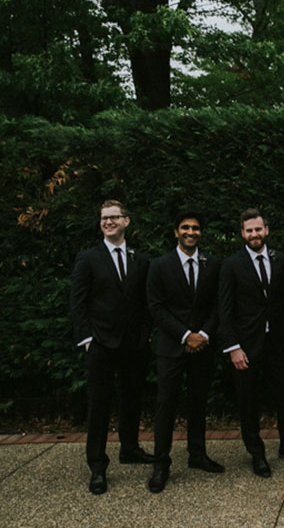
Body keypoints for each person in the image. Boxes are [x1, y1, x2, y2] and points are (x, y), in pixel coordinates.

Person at [218, 208, 284, 479]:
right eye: (249, 230)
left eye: (258, 229)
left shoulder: (281, 260)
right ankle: (257, 454)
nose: (254, 234)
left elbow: (282, 299)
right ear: (242, 233)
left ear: (266, 230)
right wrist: (233, 347)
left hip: (275, 341)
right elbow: (225, 310)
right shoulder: (231, 264)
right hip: (245, 346)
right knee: (248, 400)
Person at [69, 199, 155, 495]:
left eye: (114, 217)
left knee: (132, 398)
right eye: (104, 218)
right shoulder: (88, 258)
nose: (109, 222)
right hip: (101, 344)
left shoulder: (139, 259)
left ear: (126, 221)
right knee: (99, 405)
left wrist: (146, 335)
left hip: (134, 345)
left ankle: (129, 449)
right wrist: (87, 339)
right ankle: (97, 465)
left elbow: (146, 302)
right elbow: (78, 302)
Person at [145, 210, 224, 493]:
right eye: (185, 227)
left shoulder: (212, 263)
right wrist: (184, 335)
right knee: (166, 405)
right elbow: (156, 306)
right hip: (171, 347)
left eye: (196, 228)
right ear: (176, 232)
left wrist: (203, 334)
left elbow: (218, 303)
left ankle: (197, 454)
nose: (191, 232)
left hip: (202, 345)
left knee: (198, 402)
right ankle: (161, 464)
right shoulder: (159, 265)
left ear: (201, 232)